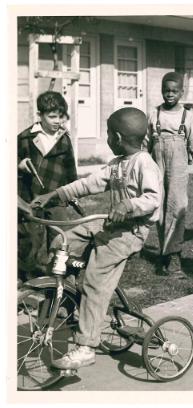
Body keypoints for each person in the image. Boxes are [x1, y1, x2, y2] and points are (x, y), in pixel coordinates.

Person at [31, 107, 162, 369]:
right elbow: (87, 184)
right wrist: (55, 195)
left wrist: (127, 206)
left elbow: (153, 199)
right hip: (109, 224)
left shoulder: (144, 163)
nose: (107, 140)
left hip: (130, 232)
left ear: (116, 136)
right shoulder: (116, 165)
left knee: (94, 280)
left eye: (107, 135)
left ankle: (86, 345)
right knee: (61, 243)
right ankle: (65, 299)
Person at [143, 72, 193, 275]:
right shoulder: (153, 114)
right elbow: (144, 146)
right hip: (156, 165)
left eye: (174, 91)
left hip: (178, 169)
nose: (170, 94)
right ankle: (164, 252)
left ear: (181, 93)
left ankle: (175, 255)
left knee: (177, 208)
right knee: (159, 207)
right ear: (162, 91)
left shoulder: (189, 118)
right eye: (166, 91)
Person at [18, 90, 77, 281]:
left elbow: (70, 167)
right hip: (31, 196)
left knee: (59, 238)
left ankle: (57, 279)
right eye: (52, 116)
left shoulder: (64, 138)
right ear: (40, 115)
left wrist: (72, 190)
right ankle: (25, 278)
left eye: (61, 116)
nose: (57, 121)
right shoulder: (26, 137)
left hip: (56, 197)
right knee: (30, 239)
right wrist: (19, 164)